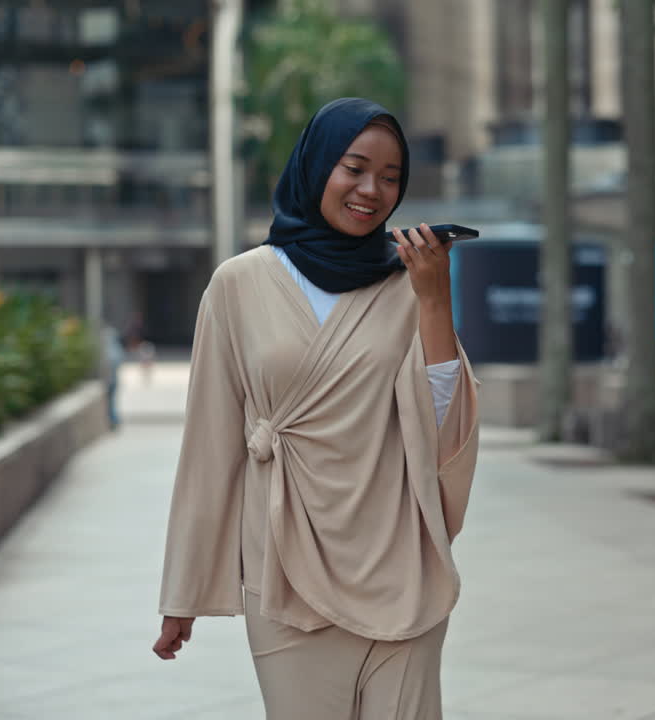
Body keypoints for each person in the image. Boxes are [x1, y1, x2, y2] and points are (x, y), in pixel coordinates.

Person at [151, 97, 480, 720]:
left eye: (390, 177)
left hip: (399, 562)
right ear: (316, 166)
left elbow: (446, 431)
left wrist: (434, 301)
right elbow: (209, 446)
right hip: (284, 572)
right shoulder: (239, 284)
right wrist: (183, 594)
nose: (371, 190)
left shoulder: (410, 280)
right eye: (354, 167)